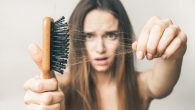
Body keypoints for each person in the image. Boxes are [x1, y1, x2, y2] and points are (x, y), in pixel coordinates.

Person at [24, 0, 187, 110]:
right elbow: (45, 97)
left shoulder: (141, 85)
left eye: (110, 35)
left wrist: (173, 51)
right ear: (77, 40)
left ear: (123, 36)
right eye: (89, 36)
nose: (100, 48)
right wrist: (41, 100)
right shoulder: (61, 87)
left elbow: (162, 81)